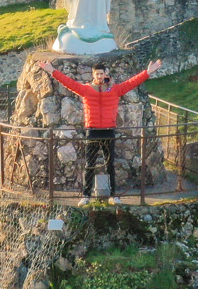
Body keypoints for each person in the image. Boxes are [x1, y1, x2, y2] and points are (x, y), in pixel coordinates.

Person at [37, 58, 164, 199]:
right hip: (93, 130)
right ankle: (86, 196)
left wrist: (147, 72)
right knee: (90, 164)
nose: (99, 76)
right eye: (96, 74)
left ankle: (113, 195)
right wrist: (52, 71)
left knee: (110, 164)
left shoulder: (115, 89)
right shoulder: (86, 89)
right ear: (93, 75)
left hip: (109, 130)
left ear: (105, 74)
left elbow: (132, 82)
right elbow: (68, 83)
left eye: (101, 73)